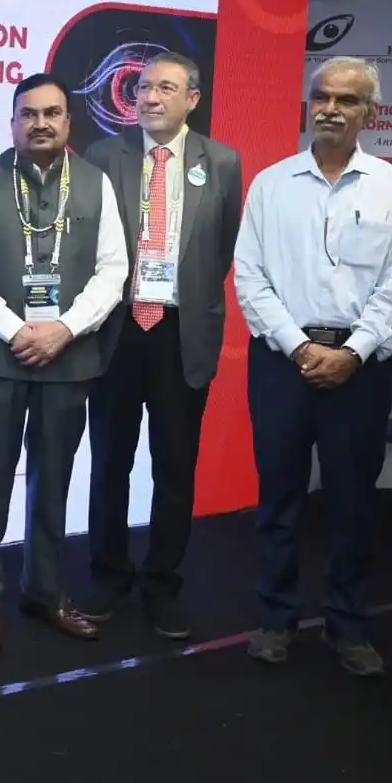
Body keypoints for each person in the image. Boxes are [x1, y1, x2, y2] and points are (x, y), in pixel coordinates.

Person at [233, 58, 392, 675]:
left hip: (361, 370)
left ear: (371, 113)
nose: (331, 108)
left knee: (353, 502)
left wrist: (353, 351)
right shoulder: (271, 184)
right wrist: (299, 347)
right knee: (279, 498)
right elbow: (250, 277)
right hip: (282, 363)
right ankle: (275, 619)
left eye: (347, 99)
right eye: (322, 97)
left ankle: (348, 625)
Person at [0, 73, 127, 652]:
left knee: (53, 482)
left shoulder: (96, 183)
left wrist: (65, 329)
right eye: (29, 114)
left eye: (52, 113)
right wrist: (16, 330)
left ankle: (45, 591)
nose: (41, 123)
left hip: (68, 358)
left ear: (69, 121)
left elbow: (113, 270)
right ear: (13, 123)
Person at [80, 51, 242, 640]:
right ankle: (108, 576)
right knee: (110, 463)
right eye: (144, 87)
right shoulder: (105, 156)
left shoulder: (221, 161)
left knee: (175, 466)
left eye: (166, 88)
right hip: (118, 332)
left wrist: (185, 296)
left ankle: (161, 583)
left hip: (180, 333)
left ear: (192, 99)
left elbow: (222, 249)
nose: (150, 97)